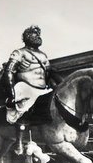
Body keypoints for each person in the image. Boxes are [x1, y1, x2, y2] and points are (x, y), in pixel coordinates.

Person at [4, 25, 55, 154]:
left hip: (43, 88)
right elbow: (9, 71)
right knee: (24, 107)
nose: (38, 36)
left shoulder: (43, 55)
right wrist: (10, 92)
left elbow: (49, 74)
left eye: (39, 34)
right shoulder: (19, 53)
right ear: (27, 37)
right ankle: (19, 140)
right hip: (26, 87)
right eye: (34, 34)